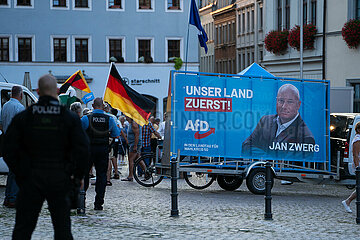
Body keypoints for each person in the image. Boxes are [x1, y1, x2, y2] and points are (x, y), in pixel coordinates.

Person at [3, 74, 89, 239]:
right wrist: (76, 177)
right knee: (62, 229)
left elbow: (8, 148)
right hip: (59, 177)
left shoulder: (24, 117)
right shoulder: (68, 117)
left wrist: (21, 173)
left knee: (23, 229)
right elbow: (83, 151)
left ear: (37, 91)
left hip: (31, 177)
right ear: (57, 91)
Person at [242, 84, 315, 159]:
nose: (284, 106)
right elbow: (246, 146)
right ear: (276, 101)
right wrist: (269, 159)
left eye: (290, 102)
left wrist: (263, 157)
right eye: (281, 101)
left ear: (298, 105)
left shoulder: (306, 137)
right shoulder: (265, 120)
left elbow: (289, 163)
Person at [81, 97, 120, 210]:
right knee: (102, 175)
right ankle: (98, 203)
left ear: (92, 106)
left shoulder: (86, 118)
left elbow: (79, 132)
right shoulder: (110, 119)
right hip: (103, 149)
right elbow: (116, 134)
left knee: (85, 175)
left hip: (88, 149)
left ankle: (81, 200)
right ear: (103, 107)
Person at [1, 86, 25, 208]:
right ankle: (13, 198)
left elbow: (0, 124)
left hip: (6, 140)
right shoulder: (19, 107)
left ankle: (8, 197)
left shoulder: (5, 106)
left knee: (11, 171)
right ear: (20, 95)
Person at [342, 122, 360, 213]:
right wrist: (357, 168)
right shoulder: (357, 140)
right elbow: (355, 155)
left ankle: (347, 201)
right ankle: (347, 201)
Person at [121, 116, 141, 181]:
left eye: (126, 116)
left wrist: (135, 145)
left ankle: (130, 176)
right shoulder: (130, 124)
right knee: (139, 159)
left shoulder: (134, 124)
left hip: (134, 144)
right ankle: (147, 172)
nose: (125, 118)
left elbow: (137, 135)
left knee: (131, 160)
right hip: (133, 143)